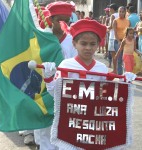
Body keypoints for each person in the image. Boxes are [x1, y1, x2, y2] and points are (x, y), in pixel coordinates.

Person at [42, 19, 137, 150]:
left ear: (98, 45)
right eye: (83, 43)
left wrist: (124, 82)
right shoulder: (66, 66)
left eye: (93, 44)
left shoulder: (102, 68)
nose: (88, 48)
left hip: (93, 126)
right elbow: (56, 95)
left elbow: (107, 98)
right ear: (74, 44)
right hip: (71, 123)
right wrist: (48, 77)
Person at [34, 1, 78, 150]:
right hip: (42, 88)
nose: (65, 24)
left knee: (64, 129)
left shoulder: (73, 41)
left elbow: (76, 66)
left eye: (67, 20)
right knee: (45, 128)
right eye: (60, 20)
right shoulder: (41, 37)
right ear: (51, 20)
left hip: (64, 90)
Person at [113, 6, 130, 75]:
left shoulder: (128, 21)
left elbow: (129, 32)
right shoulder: (115, 21)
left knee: (125, 58)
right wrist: (119, 41)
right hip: (118, 41)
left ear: (125, 13)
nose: (121, 13)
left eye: (122, 12)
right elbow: (115, 32)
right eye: (120, 11)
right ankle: (119, 75)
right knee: (119, 59)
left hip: (126, 42)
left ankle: (125, 74)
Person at [107, 3, 119, 68]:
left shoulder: (113, 15)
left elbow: (111, 26)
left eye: (109, 9)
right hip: (118, 36)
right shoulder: (120, 15)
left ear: (111, 9)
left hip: (112, 36)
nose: (109, 10)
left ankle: (115, 69)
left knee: (113, 54)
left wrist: (105, 27)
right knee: (118, 54)